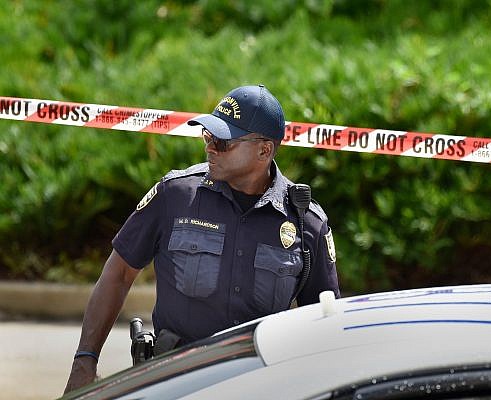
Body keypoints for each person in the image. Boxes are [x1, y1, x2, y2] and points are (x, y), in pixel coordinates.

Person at [64, 84, 340, 393]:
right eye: (208, 137)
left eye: (223, 142)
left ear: (264, 150)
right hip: (173, 382)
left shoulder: (305, 223)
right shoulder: (176, 195)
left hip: (258, 386)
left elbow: (321, 320)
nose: (210, 147)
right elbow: (118, 273)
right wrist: (85, 361)